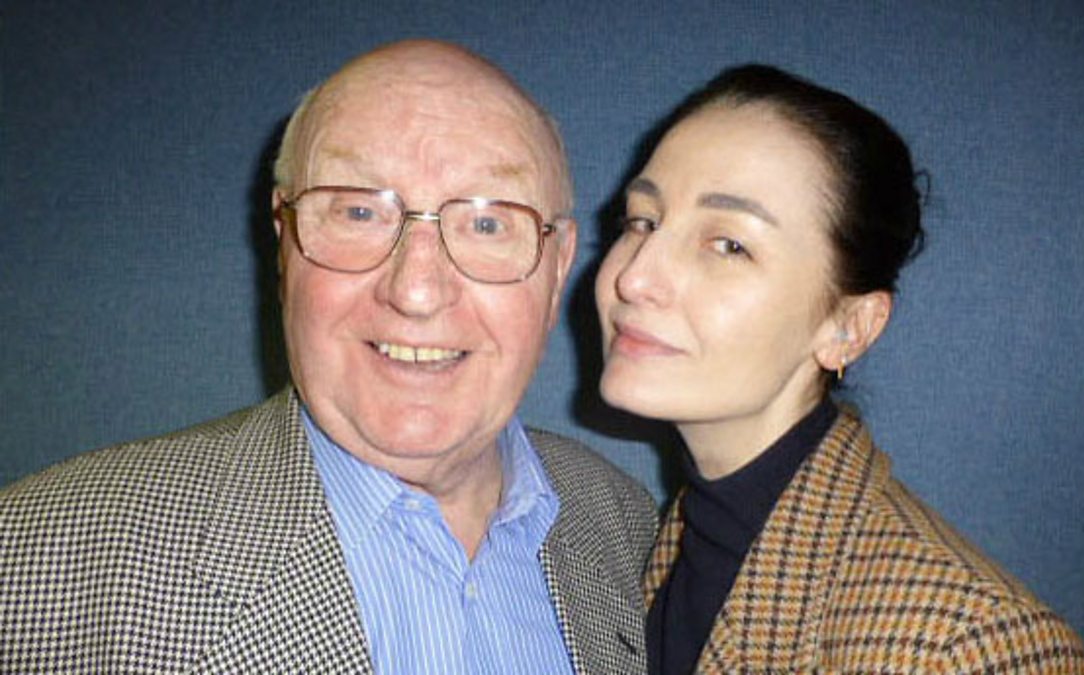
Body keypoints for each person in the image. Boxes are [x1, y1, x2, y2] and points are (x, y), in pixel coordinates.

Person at [1, 40, 658, 674]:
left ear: (558, 267)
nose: (417, 291)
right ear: (284, 241)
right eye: (358, 212)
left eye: (487, 223)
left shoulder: (630, 528)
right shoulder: (37, 561)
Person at [594, 64, 1084, 673]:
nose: (635, 276)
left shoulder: (970, 647)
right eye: (642, 221)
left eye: (729, 244)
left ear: (848, 328)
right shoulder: (657, 542)